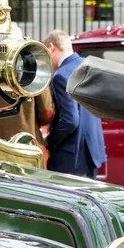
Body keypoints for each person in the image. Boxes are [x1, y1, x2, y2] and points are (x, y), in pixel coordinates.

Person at [41, 30, 105, 178]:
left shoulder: (61, 75)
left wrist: (49, 142)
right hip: (92, 153)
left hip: (70, 158)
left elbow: (70, 120)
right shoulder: (89, 66)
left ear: (51, 47)